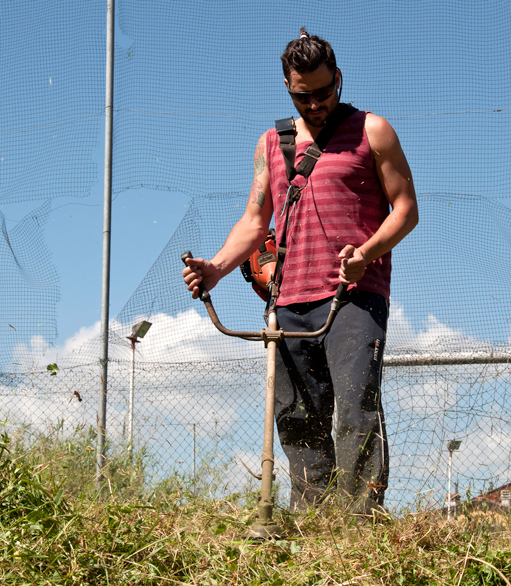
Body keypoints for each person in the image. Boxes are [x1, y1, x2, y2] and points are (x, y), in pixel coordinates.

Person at [182, 29, 418, 518]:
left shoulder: (373, 130)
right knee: (297, 420)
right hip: (288, 300)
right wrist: (217, 268)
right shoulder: (272, 143)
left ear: (339, 79)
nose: (314, 104)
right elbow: (255, 221)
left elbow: (406, 209)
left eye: (323, 92)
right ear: (287, 87)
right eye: (302, 95)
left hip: (354, 295)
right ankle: (313, 523)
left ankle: (360, 523)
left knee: (355, 410)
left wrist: (366, 253)